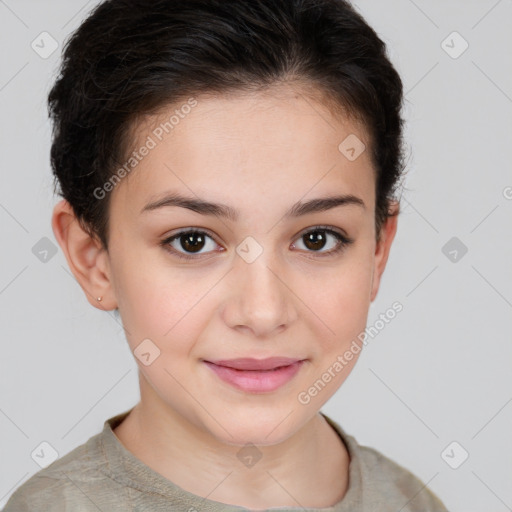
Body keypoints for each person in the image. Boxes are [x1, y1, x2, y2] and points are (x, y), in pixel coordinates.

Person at [3, 0, 449, 510]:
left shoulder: (412, 501)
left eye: (317, 238)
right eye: (192, 240)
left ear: (377, 251)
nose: (262, 313)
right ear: (93, 259)